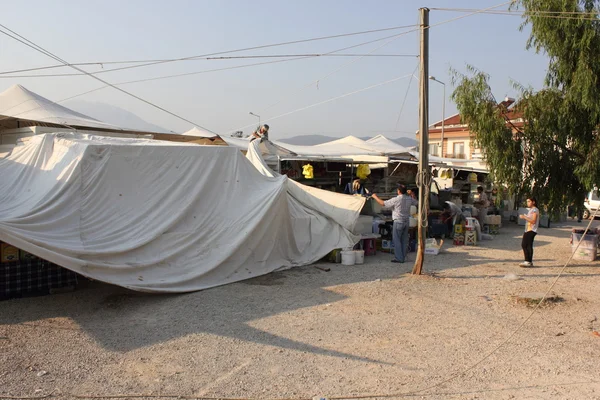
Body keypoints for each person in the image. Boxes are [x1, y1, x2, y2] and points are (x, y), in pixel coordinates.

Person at [371, 184, 418, 263]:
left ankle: (399, 258)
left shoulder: (396, 199)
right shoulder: (409, 199)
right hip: (406, 221)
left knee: (397, 240)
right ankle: (403, 257)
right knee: (404, 240)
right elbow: (416, 202)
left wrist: (375, 196)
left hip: (398, 221)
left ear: (398, 191)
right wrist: (412, 194)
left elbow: (383, 203)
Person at [518, 197, 539, 268]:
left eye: (529, 201)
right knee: (527, 245)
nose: (527, 203)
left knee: (525, 244)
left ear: (533, 202)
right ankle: (528, 261)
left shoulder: (535, 210)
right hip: (528, 229)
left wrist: (524, 217)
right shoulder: (531, 210)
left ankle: (528, 261)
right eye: (527, 201)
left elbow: (533, 220)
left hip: (531, 230)